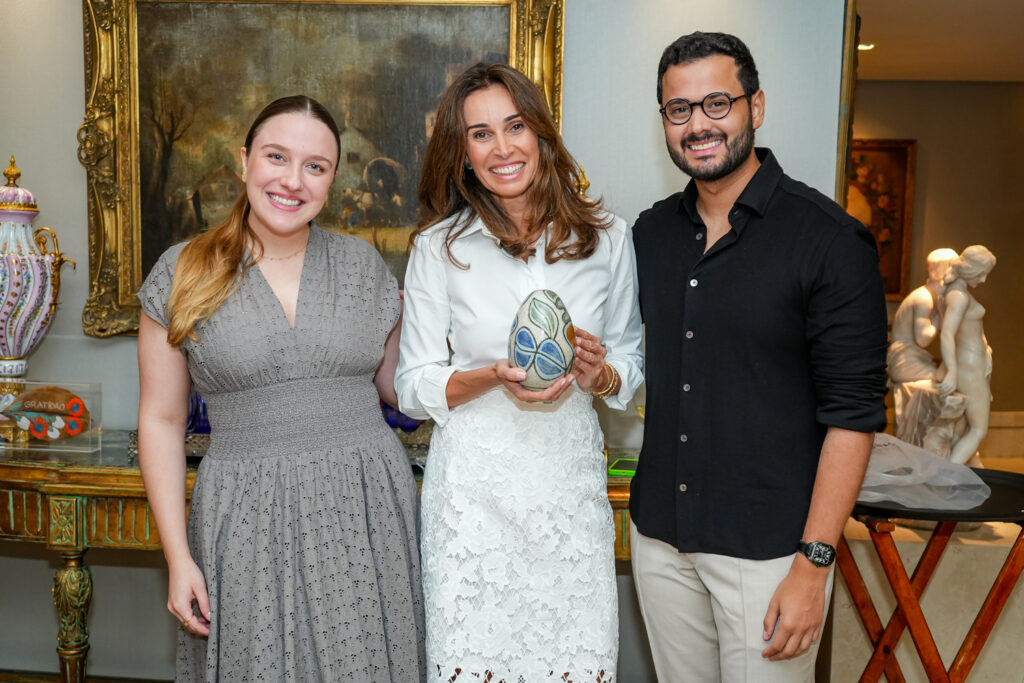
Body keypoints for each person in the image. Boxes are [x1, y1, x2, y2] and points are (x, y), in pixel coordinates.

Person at [137, 95, 425, 681]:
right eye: (276, 157)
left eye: (315, 166)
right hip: (244, 516)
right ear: (244, 161)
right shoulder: (181, 271)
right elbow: (162, 421)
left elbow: (403, 389)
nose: (293, 180)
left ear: (331, 181)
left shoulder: (363, 267)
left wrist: (490, 369)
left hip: (365, 514)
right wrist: (178, 558)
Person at [629, 32, 888, 682]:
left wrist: (814, 562)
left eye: (717, 103)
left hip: (770, 552)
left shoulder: (829, 241)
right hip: (660, 539)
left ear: (756, 106)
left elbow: (853, 418)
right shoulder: (650, 234)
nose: (699, 125)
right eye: (679, 109)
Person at [395, 63, 643, 680]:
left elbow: (631, 364)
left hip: (567, 495)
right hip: (474, 496)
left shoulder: (607, 238)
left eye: (515, 126)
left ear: (541, 134)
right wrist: (487, 377)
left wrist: (598, 374)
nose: (502, 147)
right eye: (481, 134)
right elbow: (411, 385)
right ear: (463, 154)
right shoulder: (438, 248)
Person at [936, 245, 996, 464]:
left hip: (970, 363)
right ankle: (946, 479)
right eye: (982, 274)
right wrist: (951, 371)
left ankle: (963, 475)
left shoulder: (951, 292)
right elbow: (947, 334)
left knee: (962, 429)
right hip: (968, 366)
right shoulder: (959, 297)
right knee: (979, 429)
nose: (983, 281)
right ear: (971, 271)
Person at [887, 247, 958, 384]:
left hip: (911, 357)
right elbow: (923, 339)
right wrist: (937, 319)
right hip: (903, 361)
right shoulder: (924, 299)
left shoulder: (929, 296)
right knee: (943, 381)